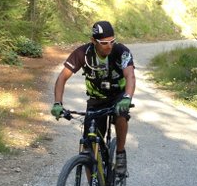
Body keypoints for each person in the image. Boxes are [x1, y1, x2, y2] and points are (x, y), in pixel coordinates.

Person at [51, 20, 136, 176]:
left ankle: (120, 153)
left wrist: (127, 97)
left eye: (112, 41)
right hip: (96, 100)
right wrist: (58, 103)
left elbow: (130, 75)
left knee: (121, 115)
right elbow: (62, 78)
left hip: (118, 96)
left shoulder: (121, 51)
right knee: (89, 148)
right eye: (104, 43)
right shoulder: (83, 53)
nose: (109, 46)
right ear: (93, 41)